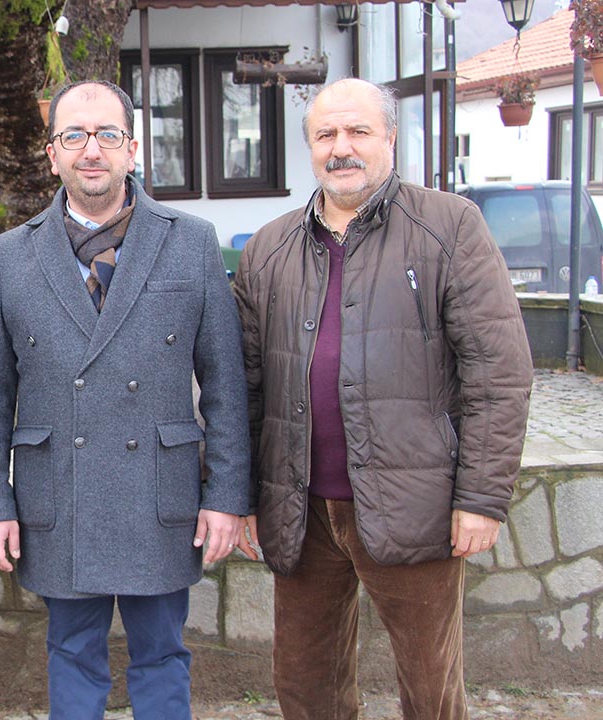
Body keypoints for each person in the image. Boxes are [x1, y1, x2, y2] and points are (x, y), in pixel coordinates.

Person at [233, 78, 534, 720]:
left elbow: (498, 373)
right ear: (310, 147)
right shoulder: (268, 249)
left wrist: (480, 498)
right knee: (306, 687)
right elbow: (244, 389)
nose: (341, 148)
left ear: (390, 138)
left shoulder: (450, 227)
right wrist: (246, 498)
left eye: (358, 132)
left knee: (430, 691)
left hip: (416, 505)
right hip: (303, 510)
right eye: (326, 135)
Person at [0, 80, 251, 720]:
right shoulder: (12, 254)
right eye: (74, 135)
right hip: (58, 492)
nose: (90, 149)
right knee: (70, 651)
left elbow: (226, 385)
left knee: (161, 653)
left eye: (106, 135)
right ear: (52, 154)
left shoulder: (190, 240)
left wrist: (228, 496)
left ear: (131, 148)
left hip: (159, 491)